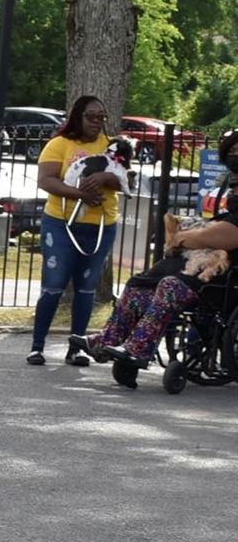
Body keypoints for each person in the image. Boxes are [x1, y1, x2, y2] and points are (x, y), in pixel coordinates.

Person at [90, 132, 238, 381]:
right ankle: (108, 340)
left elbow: (230, 235)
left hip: (225, 273)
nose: (235, 157)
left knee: (171, 286)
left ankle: (137, 349)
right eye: (232, 152)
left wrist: (185, 238)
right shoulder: (229, 187)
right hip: (202, 260)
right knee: (140, 285)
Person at [30, 95, 126, 368]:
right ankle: (37, 346)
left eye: (101, 117)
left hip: (100, 225)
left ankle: (77, 348)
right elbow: (45, 180)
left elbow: (123, 180)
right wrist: (79, 194)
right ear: (78, 117)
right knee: (54, 284)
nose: (97, 122)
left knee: (86, 288)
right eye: (91, 117)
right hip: (61, 224)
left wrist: (105, 176)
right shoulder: (59, 144)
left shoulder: (111, 146)